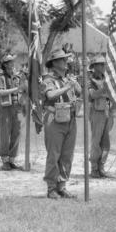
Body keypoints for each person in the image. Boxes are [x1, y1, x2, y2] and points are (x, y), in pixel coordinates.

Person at [41, 49, 81, 199]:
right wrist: (67, 87)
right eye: (63, 60)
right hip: (54, 119)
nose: (66, 62)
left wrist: (75, 85)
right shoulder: (48, 80)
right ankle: (51, 187)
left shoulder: (67, 79)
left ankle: (62, 185)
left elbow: (79, 92)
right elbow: (50, 95)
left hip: (70, 118)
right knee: (54, 154)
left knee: (67, 155)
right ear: (55, 63)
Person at [0, 55, 26, 171]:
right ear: (5, 64)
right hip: (5, 109)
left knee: (16, 133)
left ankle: (12, 159)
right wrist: (15, 90)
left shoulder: (17, 77)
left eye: (13, 61)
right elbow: (0, 91)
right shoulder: (0, 77)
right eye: (10, 62)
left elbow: (23, 89)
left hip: (17, 108)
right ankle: (5, 160)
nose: (13, 63)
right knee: (5, 135)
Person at [88, 56, 114, 178]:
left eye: (104, 64)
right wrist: (104, 89)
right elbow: (92, 95)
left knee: (106, 142)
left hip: (107, 111)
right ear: (95, 66)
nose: (104, 67)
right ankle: (94, 168)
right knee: (96, 141)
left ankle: (101, 166)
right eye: (101, 64)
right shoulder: (90, 80)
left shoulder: (107, 79)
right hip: (96, 112)